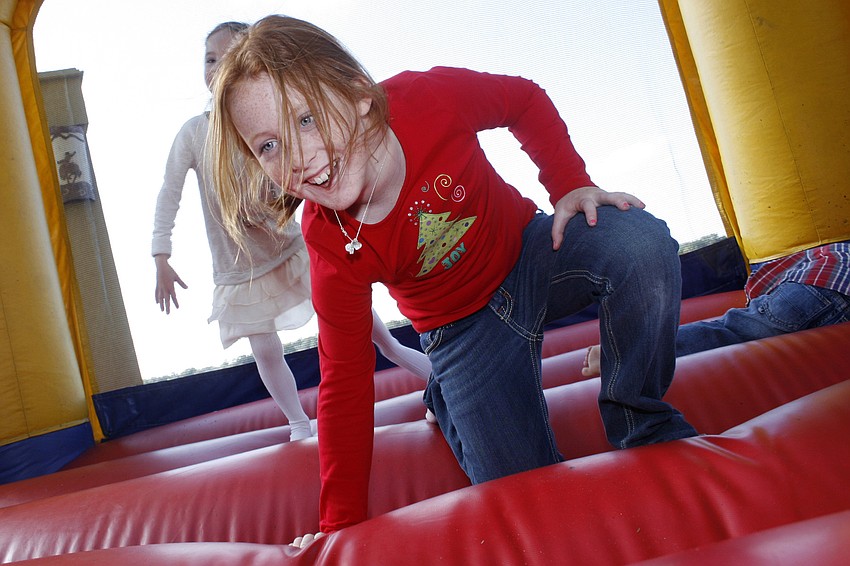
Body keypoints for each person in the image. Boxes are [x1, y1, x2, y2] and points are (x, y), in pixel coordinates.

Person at [207, 15, 698, 545]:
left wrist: (570, 184)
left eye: (305, 119)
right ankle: (447, 396)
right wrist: (339, 526)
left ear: (358, 93)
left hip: (532, 255)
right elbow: (344, 381)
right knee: (526, 493)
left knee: (640, 245)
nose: (298, 158)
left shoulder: (425, 99)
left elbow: (523, 100)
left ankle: (640, 420)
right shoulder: (329, 239)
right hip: (461, 332)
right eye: (268, 146)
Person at [152, 21, 432, 442]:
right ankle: (298, 422)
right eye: (210, 59)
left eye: (227, 57)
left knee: (377, 336)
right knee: (264, 347)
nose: (217, 67)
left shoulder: (271, 121)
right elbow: (168, 191)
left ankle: (439, 377)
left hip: (291, 249)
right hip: (242, 265)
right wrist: (161, 255)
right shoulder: (196, 133)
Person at [582, 241, 850, 376]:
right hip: (827, 286)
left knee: (731, 330)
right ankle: (624, 353)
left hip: (819, 277)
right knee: (737, 331)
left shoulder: (823, 248)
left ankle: (624, 351)